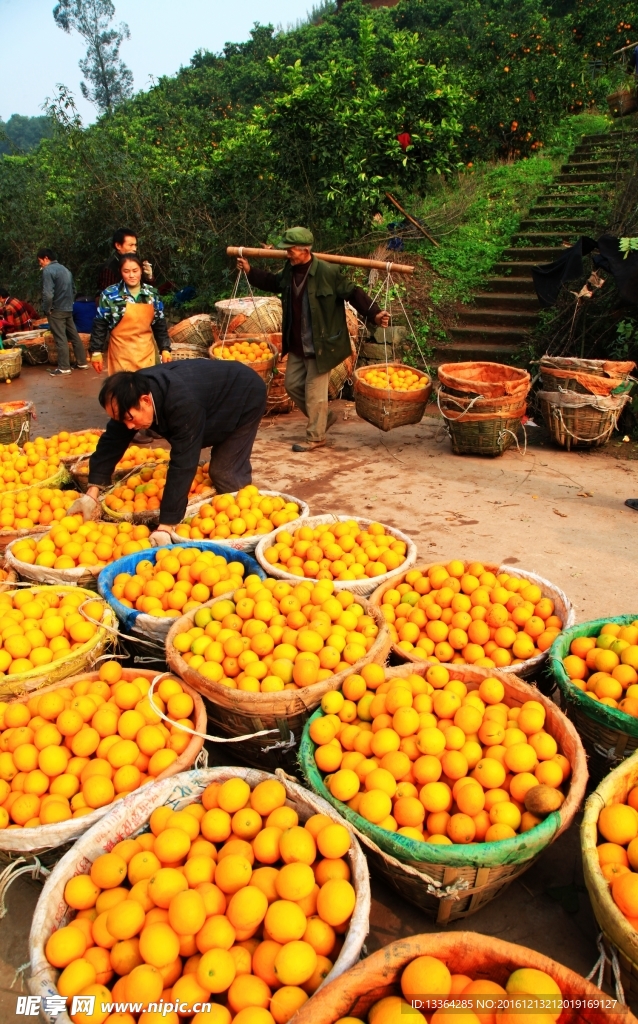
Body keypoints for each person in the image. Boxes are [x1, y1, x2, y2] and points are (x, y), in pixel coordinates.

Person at [70, 362, 267, 543]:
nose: (129, 426)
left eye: (130, 418)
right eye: (122, 420)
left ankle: (253, 530)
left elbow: (183, 462)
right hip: (209, 397)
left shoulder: (181, 403)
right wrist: (92, 493)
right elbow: (112, 440)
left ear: (146, 400)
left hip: (244, 393)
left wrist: (166, 526)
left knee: (224, 472)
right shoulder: (129, 395)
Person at [237, 226, 390, 452]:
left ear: (305, 250)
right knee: (292, 385)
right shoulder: (289, 271)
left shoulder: (328, 272)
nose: (287, 254)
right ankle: (323, 418)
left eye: (291, 250)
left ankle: (316, 436)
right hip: (298, 343)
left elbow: (353, 292)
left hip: (322, 344)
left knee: (315, 392)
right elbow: (272, 282)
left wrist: (375, 313)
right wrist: (250, 271)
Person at [89, 254, 171, 375]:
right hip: (120, 355)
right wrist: (96, 351)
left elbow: (159, 324)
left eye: (135, 271)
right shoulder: (110, 294)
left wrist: (165, 348)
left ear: (141, 271)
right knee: (123, 391)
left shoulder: (151, 294)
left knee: (147, 390)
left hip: (146, 354)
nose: (131, 275)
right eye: (126, 271)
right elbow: (100, 324)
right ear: (120, 272)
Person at [37, 249, 88, 376]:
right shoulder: (66, 270)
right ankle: (82, 362)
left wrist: (47, 308)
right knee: (74, 336)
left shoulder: (48, 270)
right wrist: (69, 303)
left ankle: (64, 367)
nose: (40, 264)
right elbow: (74, 289)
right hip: (68, 308)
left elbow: (48, 294)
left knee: (60, 338)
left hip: (56, 310)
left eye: (40, 261)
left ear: (46, 258)